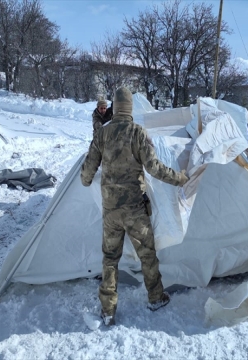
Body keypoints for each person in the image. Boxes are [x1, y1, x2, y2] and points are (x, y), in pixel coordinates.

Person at [80, 87, 188, 326]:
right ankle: (156, 297)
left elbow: (87, 172)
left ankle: (108, 310)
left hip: (110, 210)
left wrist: (86, 179)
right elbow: (154, 168)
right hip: (135, 209)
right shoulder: (138, 133)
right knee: (147, 255)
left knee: (110, 259)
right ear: (130, 109)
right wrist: (179, 178)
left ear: (114, 108)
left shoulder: (102, 135)